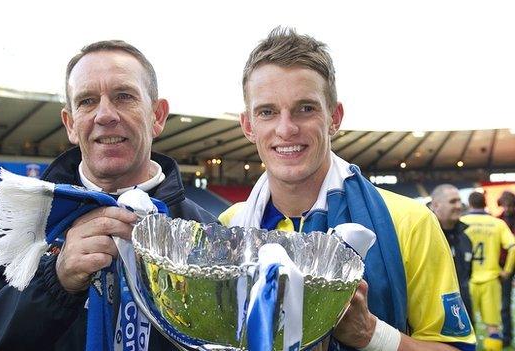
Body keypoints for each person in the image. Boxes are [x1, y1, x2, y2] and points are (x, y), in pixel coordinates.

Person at [0, 40, 216, 350]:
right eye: (87, 101)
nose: (105, 115)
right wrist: (54, 282)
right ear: (70, 124)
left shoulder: (204, 232)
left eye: (123, 96)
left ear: (157, 115)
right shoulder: (9, 222)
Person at [219, 27, 476, 350]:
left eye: (306, 108)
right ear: (248, 126)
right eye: (268, 112)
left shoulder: (409, 222)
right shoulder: (229, 226)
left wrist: (371, 334)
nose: (286, 128)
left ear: (334, 118)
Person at [461, 191, 515, 351]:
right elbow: (513, 248)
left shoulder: (461, 222)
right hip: (491, 279)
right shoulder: (497, 223)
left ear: (470, 204)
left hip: (467, 281)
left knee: (465, 327)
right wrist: (506, 271)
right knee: (492, 326)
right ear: (485, 203)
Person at [429, 184, 474, 319]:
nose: (459, 206)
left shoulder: (465, 238)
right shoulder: (425, 236)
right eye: (452, 201)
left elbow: (467, 275)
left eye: (459, 201)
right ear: (436, 205)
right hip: (434, 314)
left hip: (464, 310)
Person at [498, 191, 515, 346]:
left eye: (510, 205)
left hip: (508, 265)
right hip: (505, 265)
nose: (507, 208)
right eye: (505, 205)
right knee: (504, 305)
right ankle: (507, 337)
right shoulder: (498, 221)